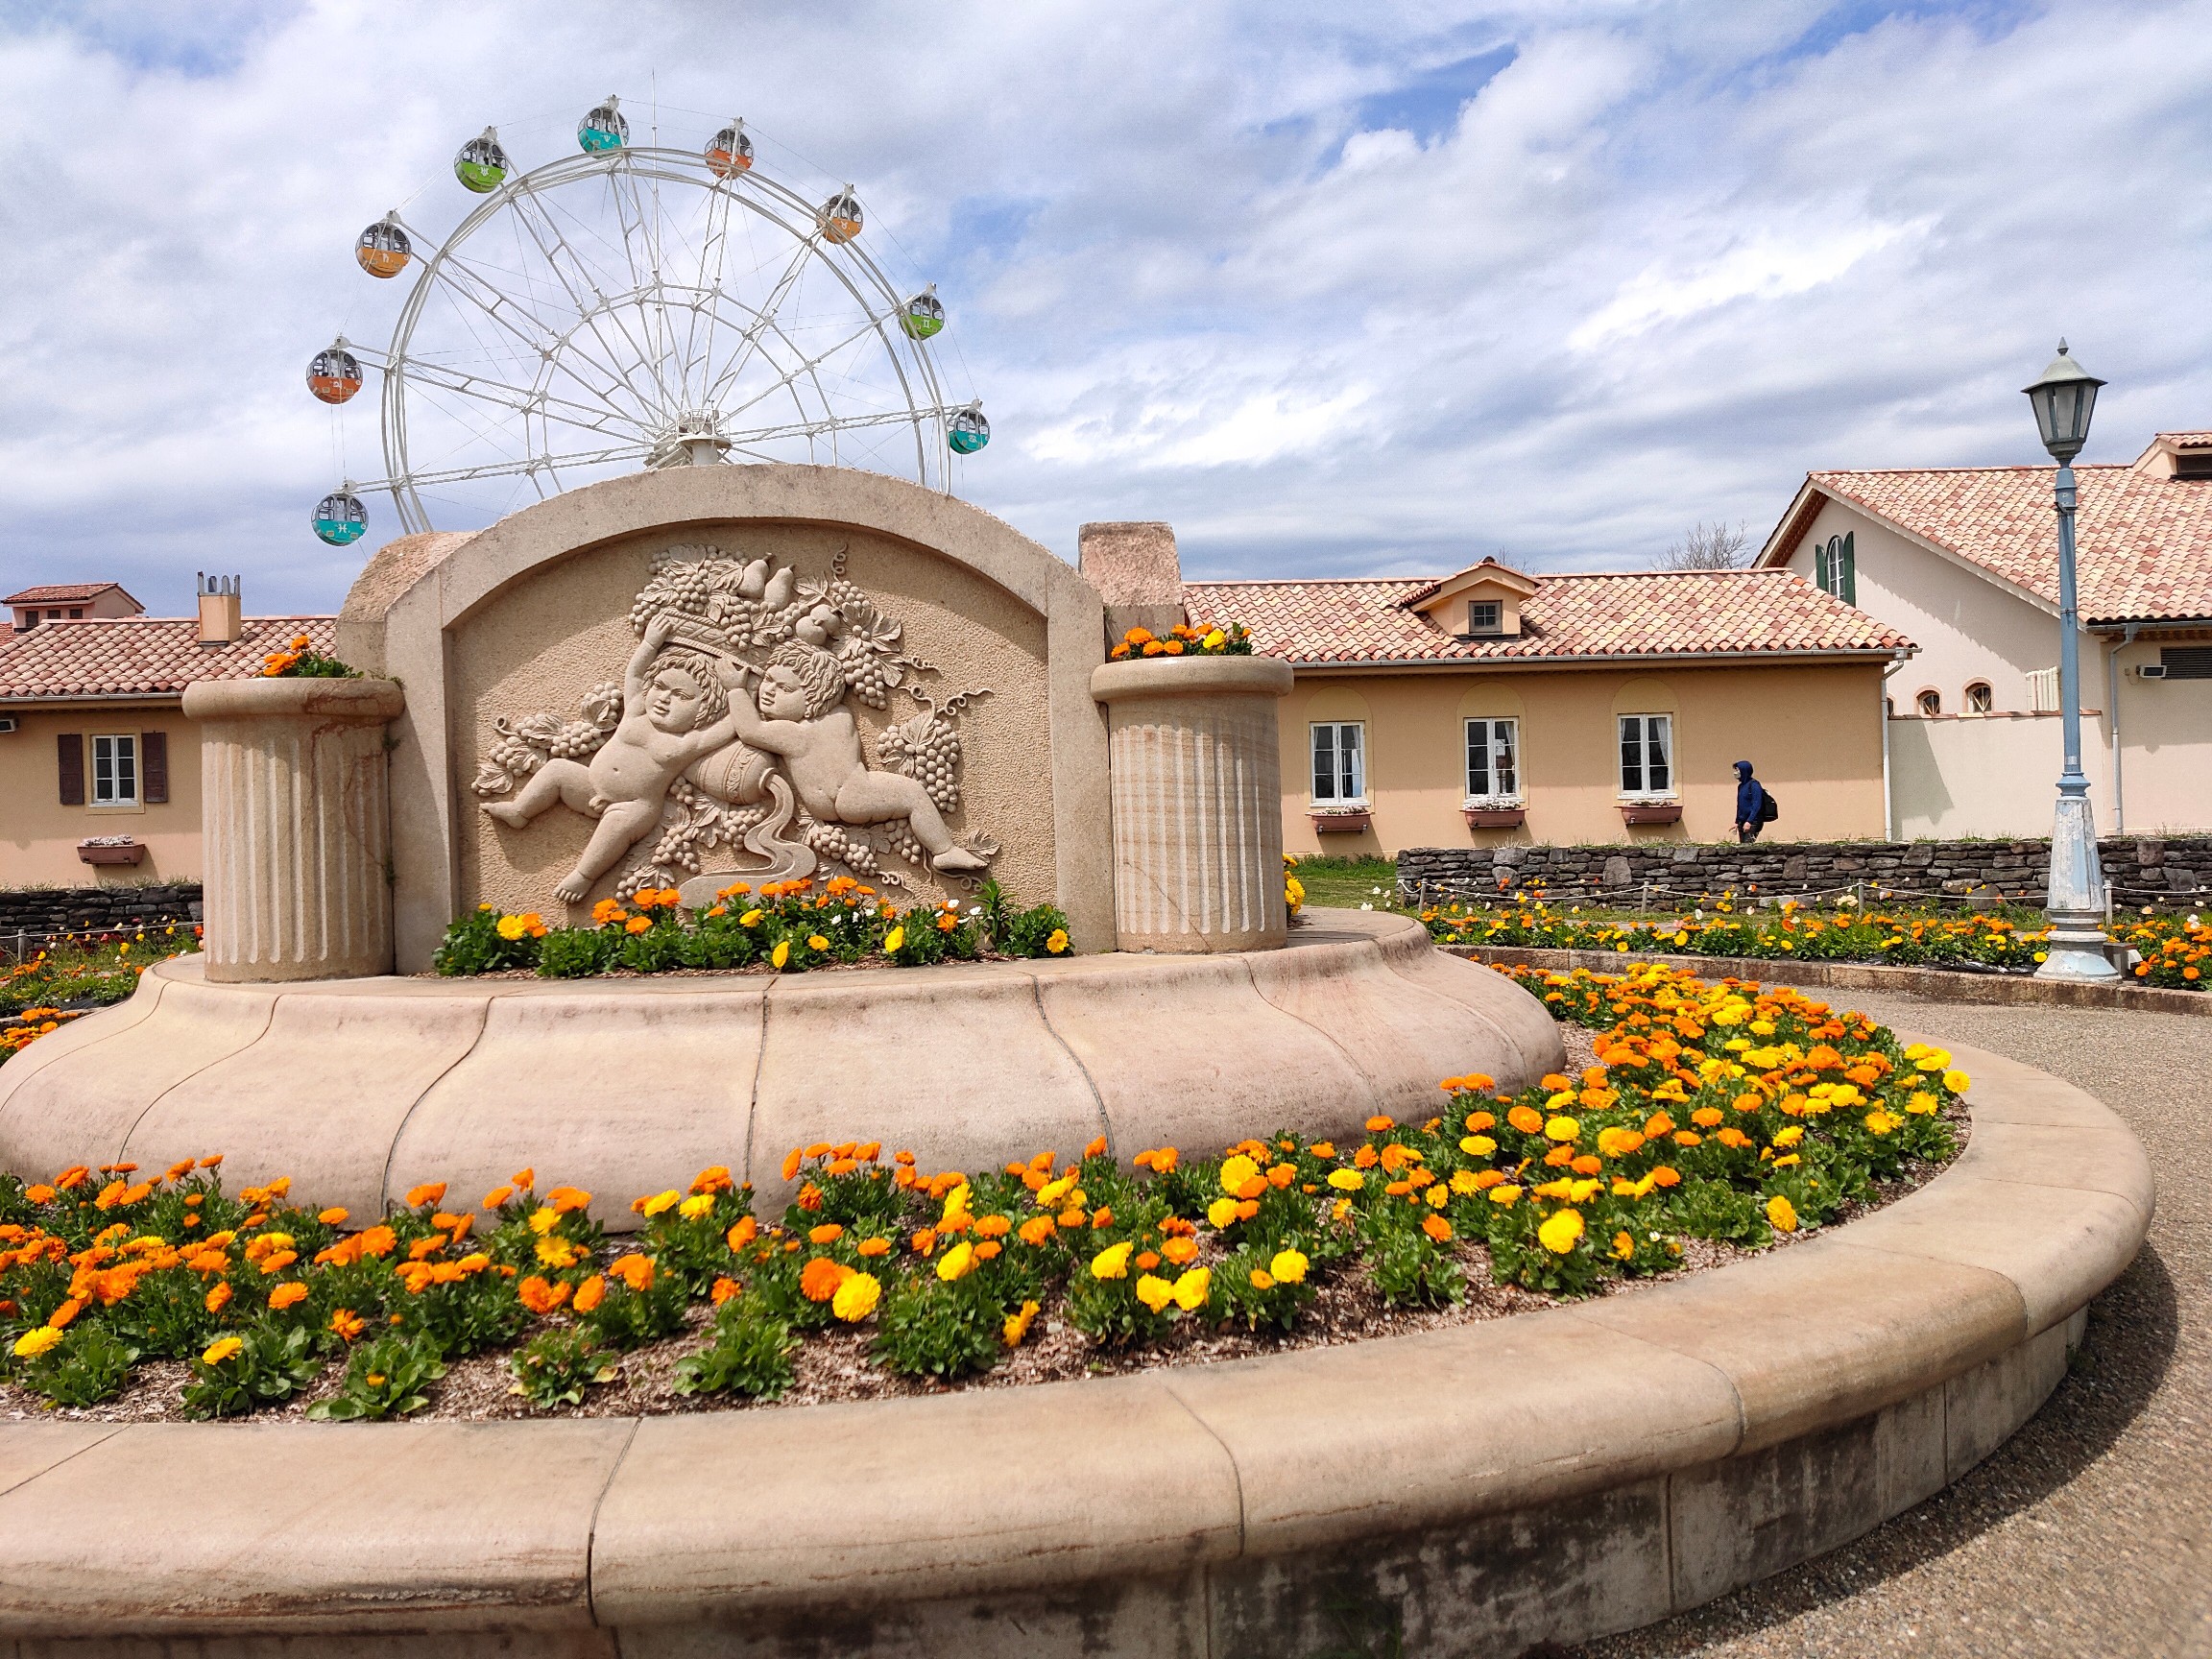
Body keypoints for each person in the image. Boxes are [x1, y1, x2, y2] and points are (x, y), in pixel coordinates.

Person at [481, 613, 747, 902]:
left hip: (635, 806)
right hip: (591, 786)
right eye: (660, 687)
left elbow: (731, 725)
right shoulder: (636, 712)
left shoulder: (689, 741)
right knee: (557, 768)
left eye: (680, 695)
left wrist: (739, 690)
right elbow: (633, 675)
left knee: (617, 825)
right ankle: (521, 811)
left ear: (704, 709)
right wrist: (649, 644)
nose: (664, 698)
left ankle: (584, 875)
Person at [726, 639, 989, 873]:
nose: (769, 690)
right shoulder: (840, 715)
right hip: (854, 792)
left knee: (910, 792)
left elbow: (750, 730)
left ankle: (944, 852)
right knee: (912, 793)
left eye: (784, 688)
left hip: (848, 795)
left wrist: (735, 690)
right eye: (768, 680)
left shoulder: (790, 732)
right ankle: (943, 851)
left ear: (812, 699)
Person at [1733, 759, 1773, 844]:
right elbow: (1740, 805)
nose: (1736, 772)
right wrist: (1737, 822)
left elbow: (1757, 804)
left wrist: (1749, 821)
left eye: (1737, 770)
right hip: (1743, 821)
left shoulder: (1754, 785)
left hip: (1753, 821)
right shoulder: (1741, 786)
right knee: (1742, 847)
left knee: (1747, 847)